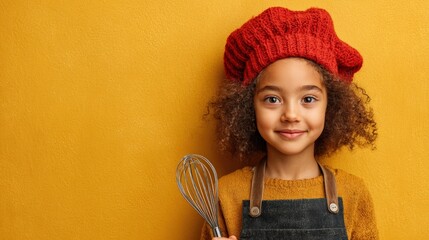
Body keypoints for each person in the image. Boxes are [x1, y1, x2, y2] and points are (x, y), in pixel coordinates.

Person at [201, 7, 378, 240]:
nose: (291, 115)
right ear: (247, 107)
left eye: (308, 99)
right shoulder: (226, 194)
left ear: (331, 105)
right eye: (272, 99)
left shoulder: (354, 192)